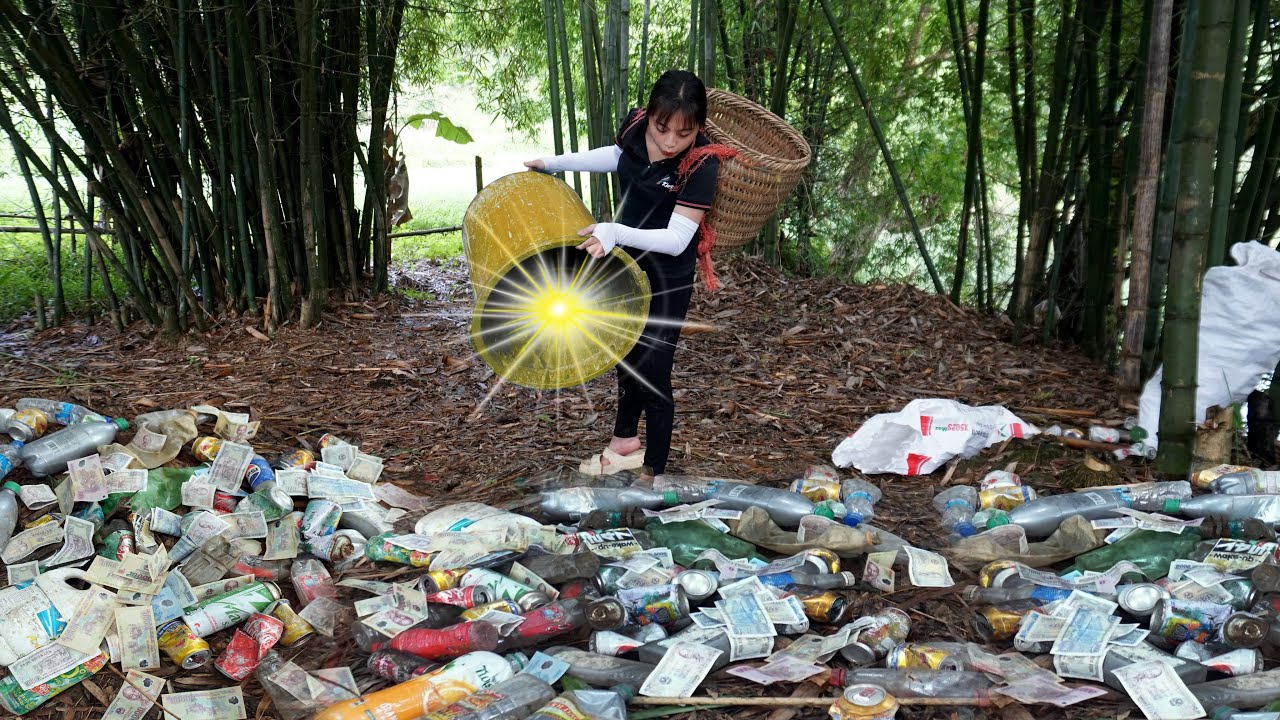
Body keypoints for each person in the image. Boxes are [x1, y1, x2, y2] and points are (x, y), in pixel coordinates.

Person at [524, 69, 735, 479]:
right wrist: (553, 163)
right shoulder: (636, 126)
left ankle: (652, 473)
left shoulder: (702, 164)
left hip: (668, 274)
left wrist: (615, 231)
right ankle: (624, 442)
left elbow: (677, 239)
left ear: (699, 129)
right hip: (626, 263)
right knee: (624, 352)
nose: (670, 141)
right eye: (662, 129)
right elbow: (619, 157)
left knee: (654, 369)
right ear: (650, 115)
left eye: (684, 133)